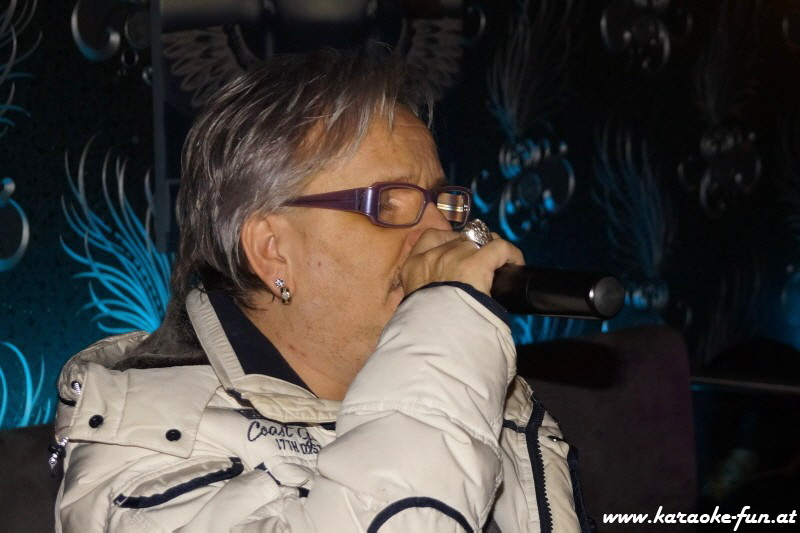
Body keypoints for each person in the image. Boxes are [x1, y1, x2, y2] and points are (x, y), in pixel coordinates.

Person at [52, 48, 591, 532]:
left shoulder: (479, 390)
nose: (441, 233)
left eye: (439, 202)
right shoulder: (143, 449)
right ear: (273, 251)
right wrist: (447, 326)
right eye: (389, 203)